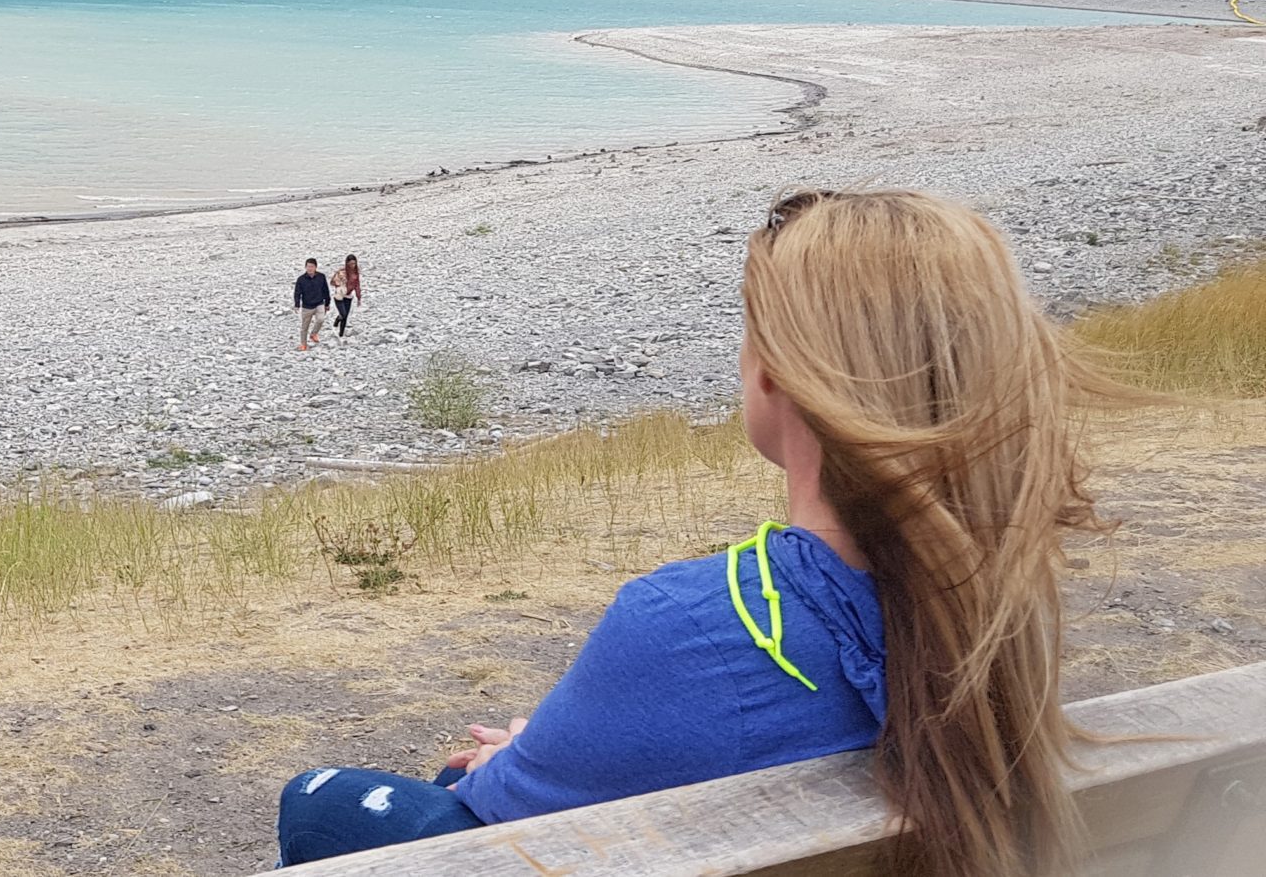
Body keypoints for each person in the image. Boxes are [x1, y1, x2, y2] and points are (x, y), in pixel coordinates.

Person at [276, 189, 1160, 877]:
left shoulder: (694, 623)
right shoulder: (999, 608)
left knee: (319, 804)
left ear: (778, 372)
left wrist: (522, 757)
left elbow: (489, 811)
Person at [292, 259, 331, 350]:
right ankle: (303, 344)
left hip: (319, 303)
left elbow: (325, 290)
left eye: (312, 266)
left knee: (321, 319)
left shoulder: (321, 277)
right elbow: (297, 293)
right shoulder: (301, 279)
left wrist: (327, 303)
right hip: (307, 306)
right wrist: (297, 304)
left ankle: (314, 333)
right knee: (304, 327)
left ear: (315, 267)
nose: (310, 268)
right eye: (308, 266)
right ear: (305, 267)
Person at [331, 255, 363, 339]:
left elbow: (357, 285)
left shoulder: (356, 273)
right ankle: (337, 320)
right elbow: (333, 282)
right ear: (347, 263)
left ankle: (341, 334)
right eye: (351, 264)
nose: (353, 265)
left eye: (354, 263)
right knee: (343, 313)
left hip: (348, 296)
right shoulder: (341, 272)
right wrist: (340, 285)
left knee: (345, 316)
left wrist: (359, 297)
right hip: (339, 295)